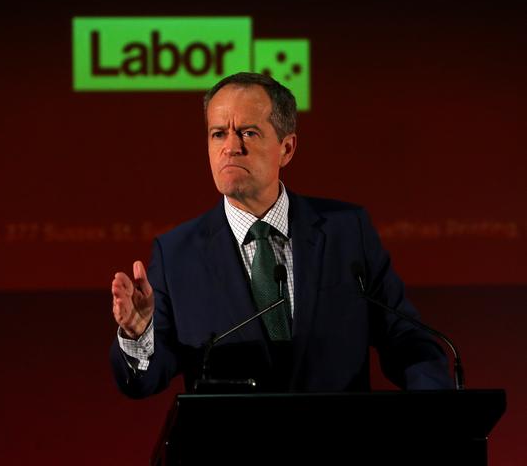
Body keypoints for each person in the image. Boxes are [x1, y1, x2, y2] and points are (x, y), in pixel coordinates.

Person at [110, 72, 453, 398]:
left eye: (248, 132)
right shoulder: (177, 254)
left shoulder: (347, 231)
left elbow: (405, 338)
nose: (230, 147)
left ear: (286, 148)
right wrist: (137, 334)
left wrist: (440, 408)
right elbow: (144, 381)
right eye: (218, 133)